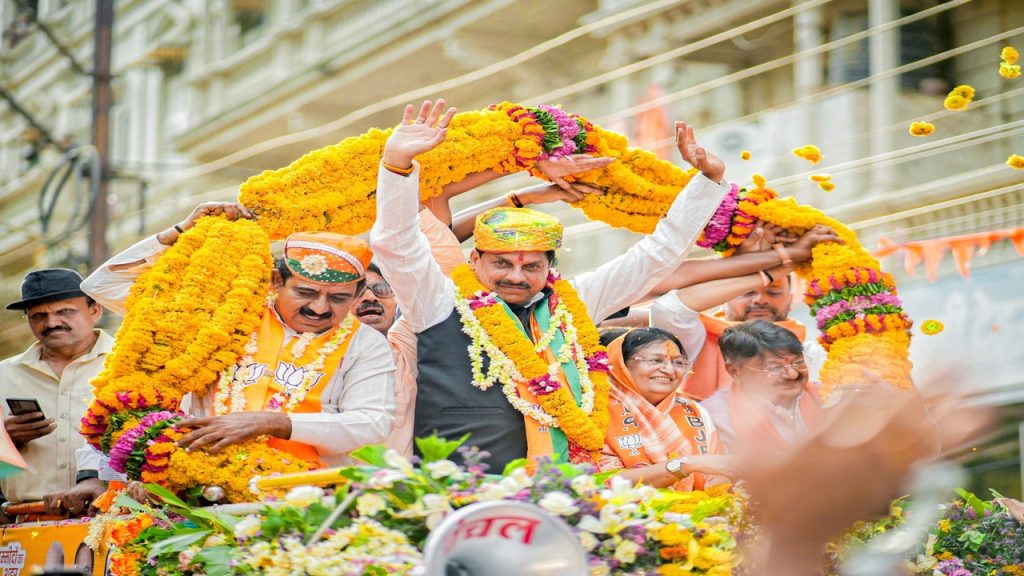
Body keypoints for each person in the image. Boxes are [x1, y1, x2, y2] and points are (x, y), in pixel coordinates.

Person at [370, 99, 732, 471]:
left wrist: (707, 183)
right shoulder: (439, 302)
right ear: (474, 260)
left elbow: (655, 257)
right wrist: (397, 165)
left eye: (532, 266)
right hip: (460, 494)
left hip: (561, 493)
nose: (516, 276)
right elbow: (397, 243)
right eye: (501, 263)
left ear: (549, 268)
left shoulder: (571, 306)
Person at [81, 205, 396, 468]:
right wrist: (179, 232)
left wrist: (274, 423)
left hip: (305, 498)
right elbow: (102, 287)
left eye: (338, 298)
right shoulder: (225, 314)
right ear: (275, 282)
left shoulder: (365, 344)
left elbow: (371, 424)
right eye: (305, 292)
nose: (319, 307)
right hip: (199, 490)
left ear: (356, 295)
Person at [647, 223, 841, 399]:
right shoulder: (696, 339)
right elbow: (668, 309)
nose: (760, 299)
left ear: (790, 300)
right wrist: (772, 267)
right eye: (747, 291)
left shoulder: (809, 354)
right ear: (724, 299)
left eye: (773, 291)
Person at [0, 269, 111, 519]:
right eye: (39, 316)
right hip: (27, 521)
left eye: (65, 312)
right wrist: (6, 441)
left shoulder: (128, 364)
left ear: (95, 310)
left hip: (112, 517)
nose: (51, 323)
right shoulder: (4, 375)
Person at [600, 328, 734, 490]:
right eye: (656, 361)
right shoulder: (595, 411)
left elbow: (717, 478)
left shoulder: (693, 411)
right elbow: (603, 481)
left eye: (677, 362)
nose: (669, 370)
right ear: (621, 364)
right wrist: (687, 465)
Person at [700, 320, 822, 453]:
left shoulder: (828, 396)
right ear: (735, 372)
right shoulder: (713, 417)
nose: (792, 374)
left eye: (798, 362)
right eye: (774, 368)